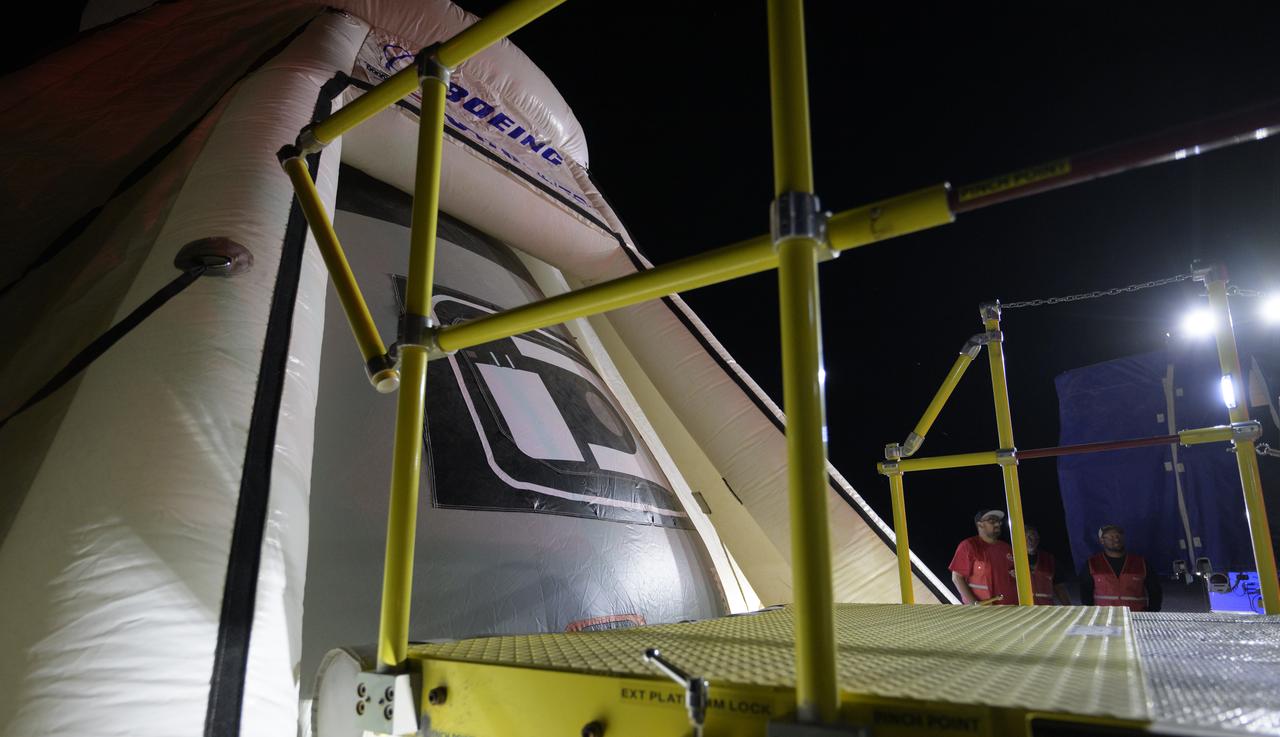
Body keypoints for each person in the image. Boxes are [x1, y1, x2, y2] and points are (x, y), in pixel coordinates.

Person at [1079, 524, 1162, 611]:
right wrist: (1091, 613)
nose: (1116, 539)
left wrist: (1152, 613)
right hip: (1104, 618)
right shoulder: (1092, 564)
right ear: (1102, 541)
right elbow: (1085, 593)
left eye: (1118, 536)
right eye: (1110, 537)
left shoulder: (1140, 563)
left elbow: (1155, 591)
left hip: (1136, 617)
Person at [949, 509, 1018, 605]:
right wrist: (975, 604)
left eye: (998, 521)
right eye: (992, 521)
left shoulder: (1007, 548)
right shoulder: (968, 545)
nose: (997, 524)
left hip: (1010, 608)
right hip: (985, 611)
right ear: (980, 524)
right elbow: (957, 578)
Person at [1025, 525, 1072, 605]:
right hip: (1023, 611)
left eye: (1031, 536)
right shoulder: (1013, 560)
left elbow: (1060, 588)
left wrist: (1069, 609)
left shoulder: (1050, 560)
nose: (1029, 540)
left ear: (1037, 539)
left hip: (1046, 610)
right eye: (1025, 537)